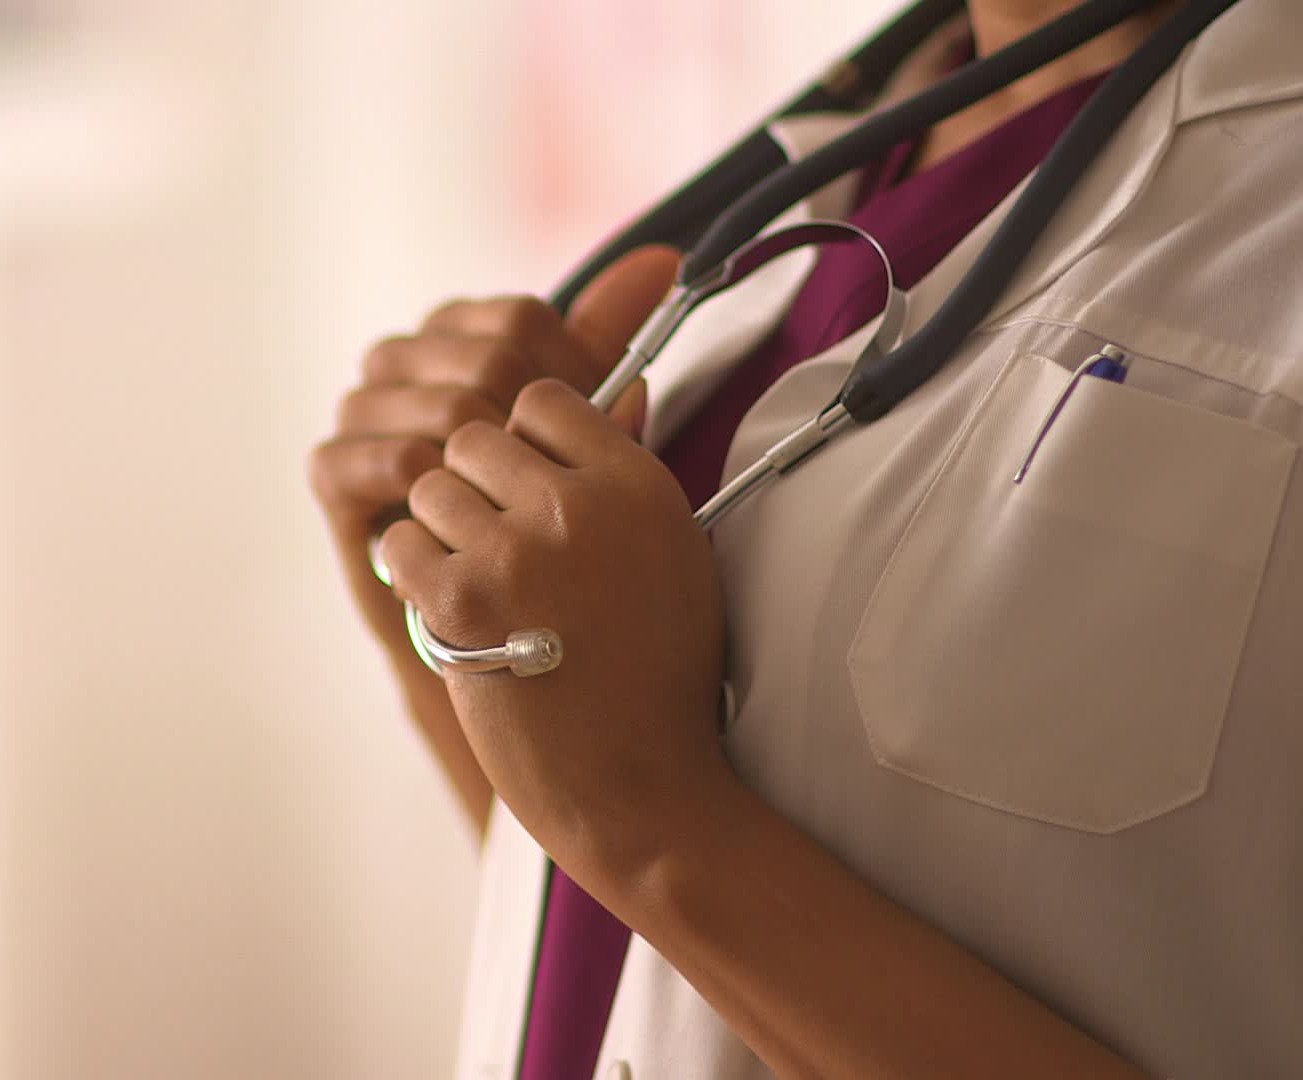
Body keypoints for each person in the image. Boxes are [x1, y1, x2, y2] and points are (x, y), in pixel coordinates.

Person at [307, 0, 1303, 1077]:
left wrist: (650, 819)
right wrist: (445, 621)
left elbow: (639, 821)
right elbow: (623, 946)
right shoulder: (847, 147)